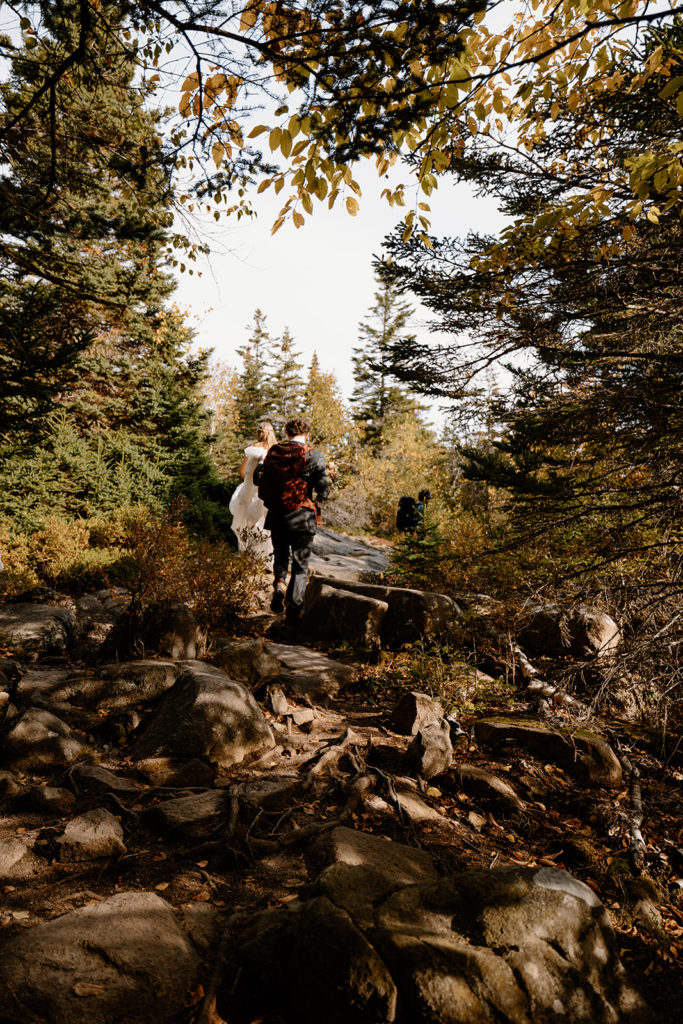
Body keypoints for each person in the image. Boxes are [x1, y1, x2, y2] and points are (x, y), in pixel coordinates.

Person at [256, 417, 331, 623]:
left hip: (277, 515)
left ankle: (280, 583)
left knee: (280, 556)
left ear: (288, 433)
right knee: (300, 564)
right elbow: (323, 493)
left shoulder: (274, 453)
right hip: (303, 517)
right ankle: (293, 611)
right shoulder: (314, 456)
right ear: (306, 434)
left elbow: (257, 479)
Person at [229, 421, 277, 558]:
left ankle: (247, 555)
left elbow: (242, 472)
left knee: (246, 522)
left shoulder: (252, 450)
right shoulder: (276, 450)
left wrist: (249, 478)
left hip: (249, 491)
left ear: (258, 433)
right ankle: (267, 557)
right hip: (269, 492)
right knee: (265, 522)